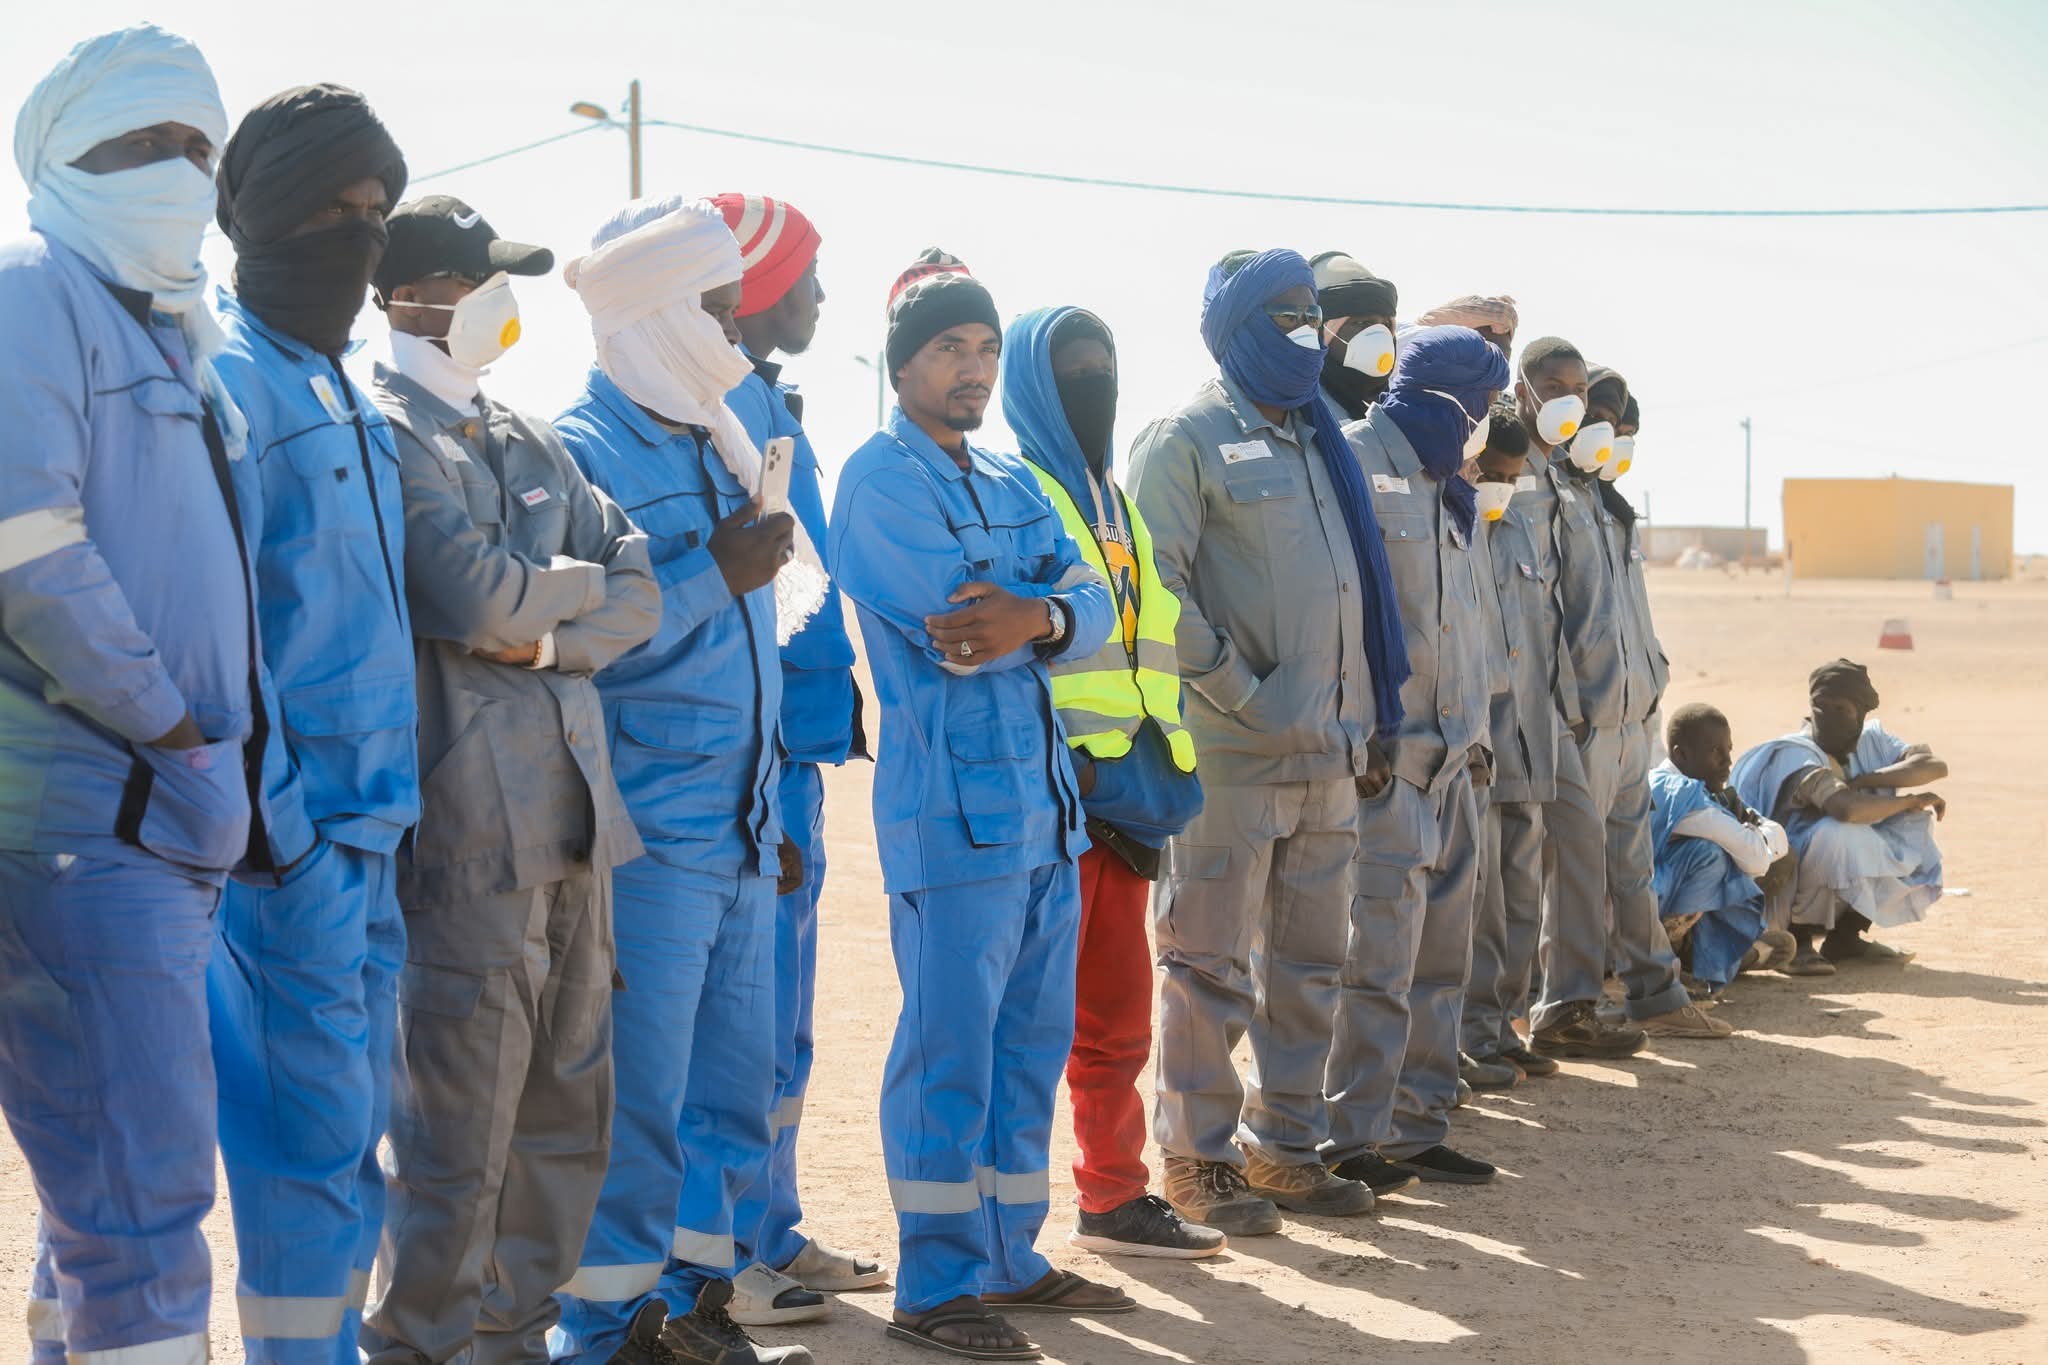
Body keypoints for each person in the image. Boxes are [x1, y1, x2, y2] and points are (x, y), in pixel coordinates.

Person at [358, 195, 660, 1365]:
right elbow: (474, 597)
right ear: (410, 298)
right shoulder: (382, 433)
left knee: (567, 1113)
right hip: (472, 828)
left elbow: (639, 589)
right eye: (477, 281)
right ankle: (420, 1348)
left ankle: (510, 1340)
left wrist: (542, 631)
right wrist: (564, 592)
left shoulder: (529, 436)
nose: (498, 302)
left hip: (578, 818)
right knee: (457, 1132)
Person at [2, 26, 258, 1364]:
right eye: (141, 142)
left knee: (100, 1198)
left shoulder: (167, 331)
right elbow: (25, 550)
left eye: (196, 146)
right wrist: (171, 725)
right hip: (87, 812)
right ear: (61, 158)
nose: (176, 169)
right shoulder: (33, 291)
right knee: (141, 1200)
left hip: (162, 815)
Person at [831, 251, 1128, 1361]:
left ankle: (1008, 1256)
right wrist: (1037, 616)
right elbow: (952, 632)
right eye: (949, 348)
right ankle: (934, 1283)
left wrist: (1037, 618)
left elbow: (1097, 603)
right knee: (947, 1057)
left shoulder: (1008, 477)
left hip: (1045, 817)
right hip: (952, 820)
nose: (972, 368)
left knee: (1027, 1052)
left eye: (986, 349)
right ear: (902, 363)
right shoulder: (878, 480)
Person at [549, 197, 817, 1365]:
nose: (732, 330)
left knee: (731, 1098)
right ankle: (605, 1331)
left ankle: (692, 1306)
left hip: (738, 836)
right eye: (714, 309)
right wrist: (711, 571)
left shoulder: (716, 437)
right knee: (636, 1103)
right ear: (656, 314)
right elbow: (576, 641)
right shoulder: (576, 452)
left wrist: (769, 812)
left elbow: (754, 656)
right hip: (647, 843)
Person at [1129, 248, 1410, 1229]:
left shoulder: (1321, 441)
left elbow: (1353, 592)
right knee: (1208, 966)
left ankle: (1285, 1146)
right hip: (1231, 757)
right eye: (1284, 315)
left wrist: (1367, 718)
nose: (1305, 333)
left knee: (1309, 966)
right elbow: (1152, 588)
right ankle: (1195, 1160)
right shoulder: (1186, 439)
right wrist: (1240, 691)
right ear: (1237, 329)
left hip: (1329, 754)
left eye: (1309, 315)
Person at [208, 83, 421, 1365]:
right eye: (333, 208)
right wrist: (279, 834)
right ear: (260, 216)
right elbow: (223, 637)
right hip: (289, 847)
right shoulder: (226, 378)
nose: (361, 235)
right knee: (299, 1141)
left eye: (377, 210)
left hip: (375, 830)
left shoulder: (342, 387)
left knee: (348, 1138)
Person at [999, 305, 1216, 1258]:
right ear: (1035, 388)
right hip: (1059, 802)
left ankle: (1113, 1195)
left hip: (1129, 797)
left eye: (1105, 369)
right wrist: (1072, 766)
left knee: (1119, 1017)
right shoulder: (1019, 492)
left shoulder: (1114, 503)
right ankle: (997, 1234)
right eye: (1075, 374)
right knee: (1034, 1025)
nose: (1098, 388)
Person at [708, 193, 889, 1324]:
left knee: (785, 1024)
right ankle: (725, 1256)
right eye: (808, 277)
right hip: (758, 758)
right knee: (745, 1027)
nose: (821, 297)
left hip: (800, 751)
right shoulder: (724, 406)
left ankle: (769, 1230)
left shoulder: (769, 401)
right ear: (763, 286)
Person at [1323, 326, 1506, 1188]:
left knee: (1441, 959)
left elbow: (1468, 619)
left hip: (1458, 757)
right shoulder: (1354, 459)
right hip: (1390, 759)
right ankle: (1350, 1132)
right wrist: (1363, 731)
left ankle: (1417, 1124)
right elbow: (1343, 606)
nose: (1484, 422)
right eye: (1481, 403)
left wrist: (1480, 739)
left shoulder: (1451, 485)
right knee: (1377, 959)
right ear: (1444, 398)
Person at [1510, 338, 1727, 1050]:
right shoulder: (1547, 495)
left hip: (1633, 715)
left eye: (1622, 426)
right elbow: (1548, 616)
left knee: (1632, 866)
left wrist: (1651, 680)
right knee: (1574, 873)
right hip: (1584, 719)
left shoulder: (1610, 506)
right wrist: (1570, 710)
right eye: (1598, 417)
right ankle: (1564, 1006)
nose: (1607, 434)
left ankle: (1654, 991)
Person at [1460, 405, 1563, 1083]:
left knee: (1524, 900)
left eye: (1512, 477)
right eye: (1491, 474)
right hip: (1477, 747)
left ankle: (1506, 1025)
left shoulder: (1524, 530)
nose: (1500, 487)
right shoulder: (1455, 528)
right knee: (1483, 908)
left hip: (1528, 743)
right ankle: (1475, 1034)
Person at [1732, 660, 1947, 970]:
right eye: (1821, 705)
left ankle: (1846, 937)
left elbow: (1932, 765)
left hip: (1828, 876)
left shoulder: (1872, 740)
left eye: (1841, 709)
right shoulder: (1796, 753)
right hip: (1779, 888)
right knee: (1837, 834)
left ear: (1861, 713)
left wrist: (1866, 780)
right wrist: (1910, 800)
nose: (1828, 716)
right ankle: (1797, 940)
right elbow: (1847, 808)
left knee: (1908, 828)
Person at [1653, 704, 1794, 993]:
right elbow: (1757, 858)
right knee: (1714, 856)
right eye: (1715, 751)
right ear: (1681, 755)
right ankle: (1668, 962)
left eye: (1728, 750)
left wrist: (1754, 831)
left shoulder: (1692, 789)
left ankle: (1704, 957)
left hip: (1650, 900)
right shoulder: (1683, 796)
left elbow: (1774, 838)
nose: (1728, 761)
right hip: (1632, 912)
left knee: (1735, 852)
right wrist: (1754, 830)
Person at [1310, 251, 1399, 420]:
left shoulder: (1400, 405)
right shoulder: (1305, 413)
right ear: (1323, 333)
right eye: (1361, 323)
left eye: (1386, 325)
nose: (1380, 336)